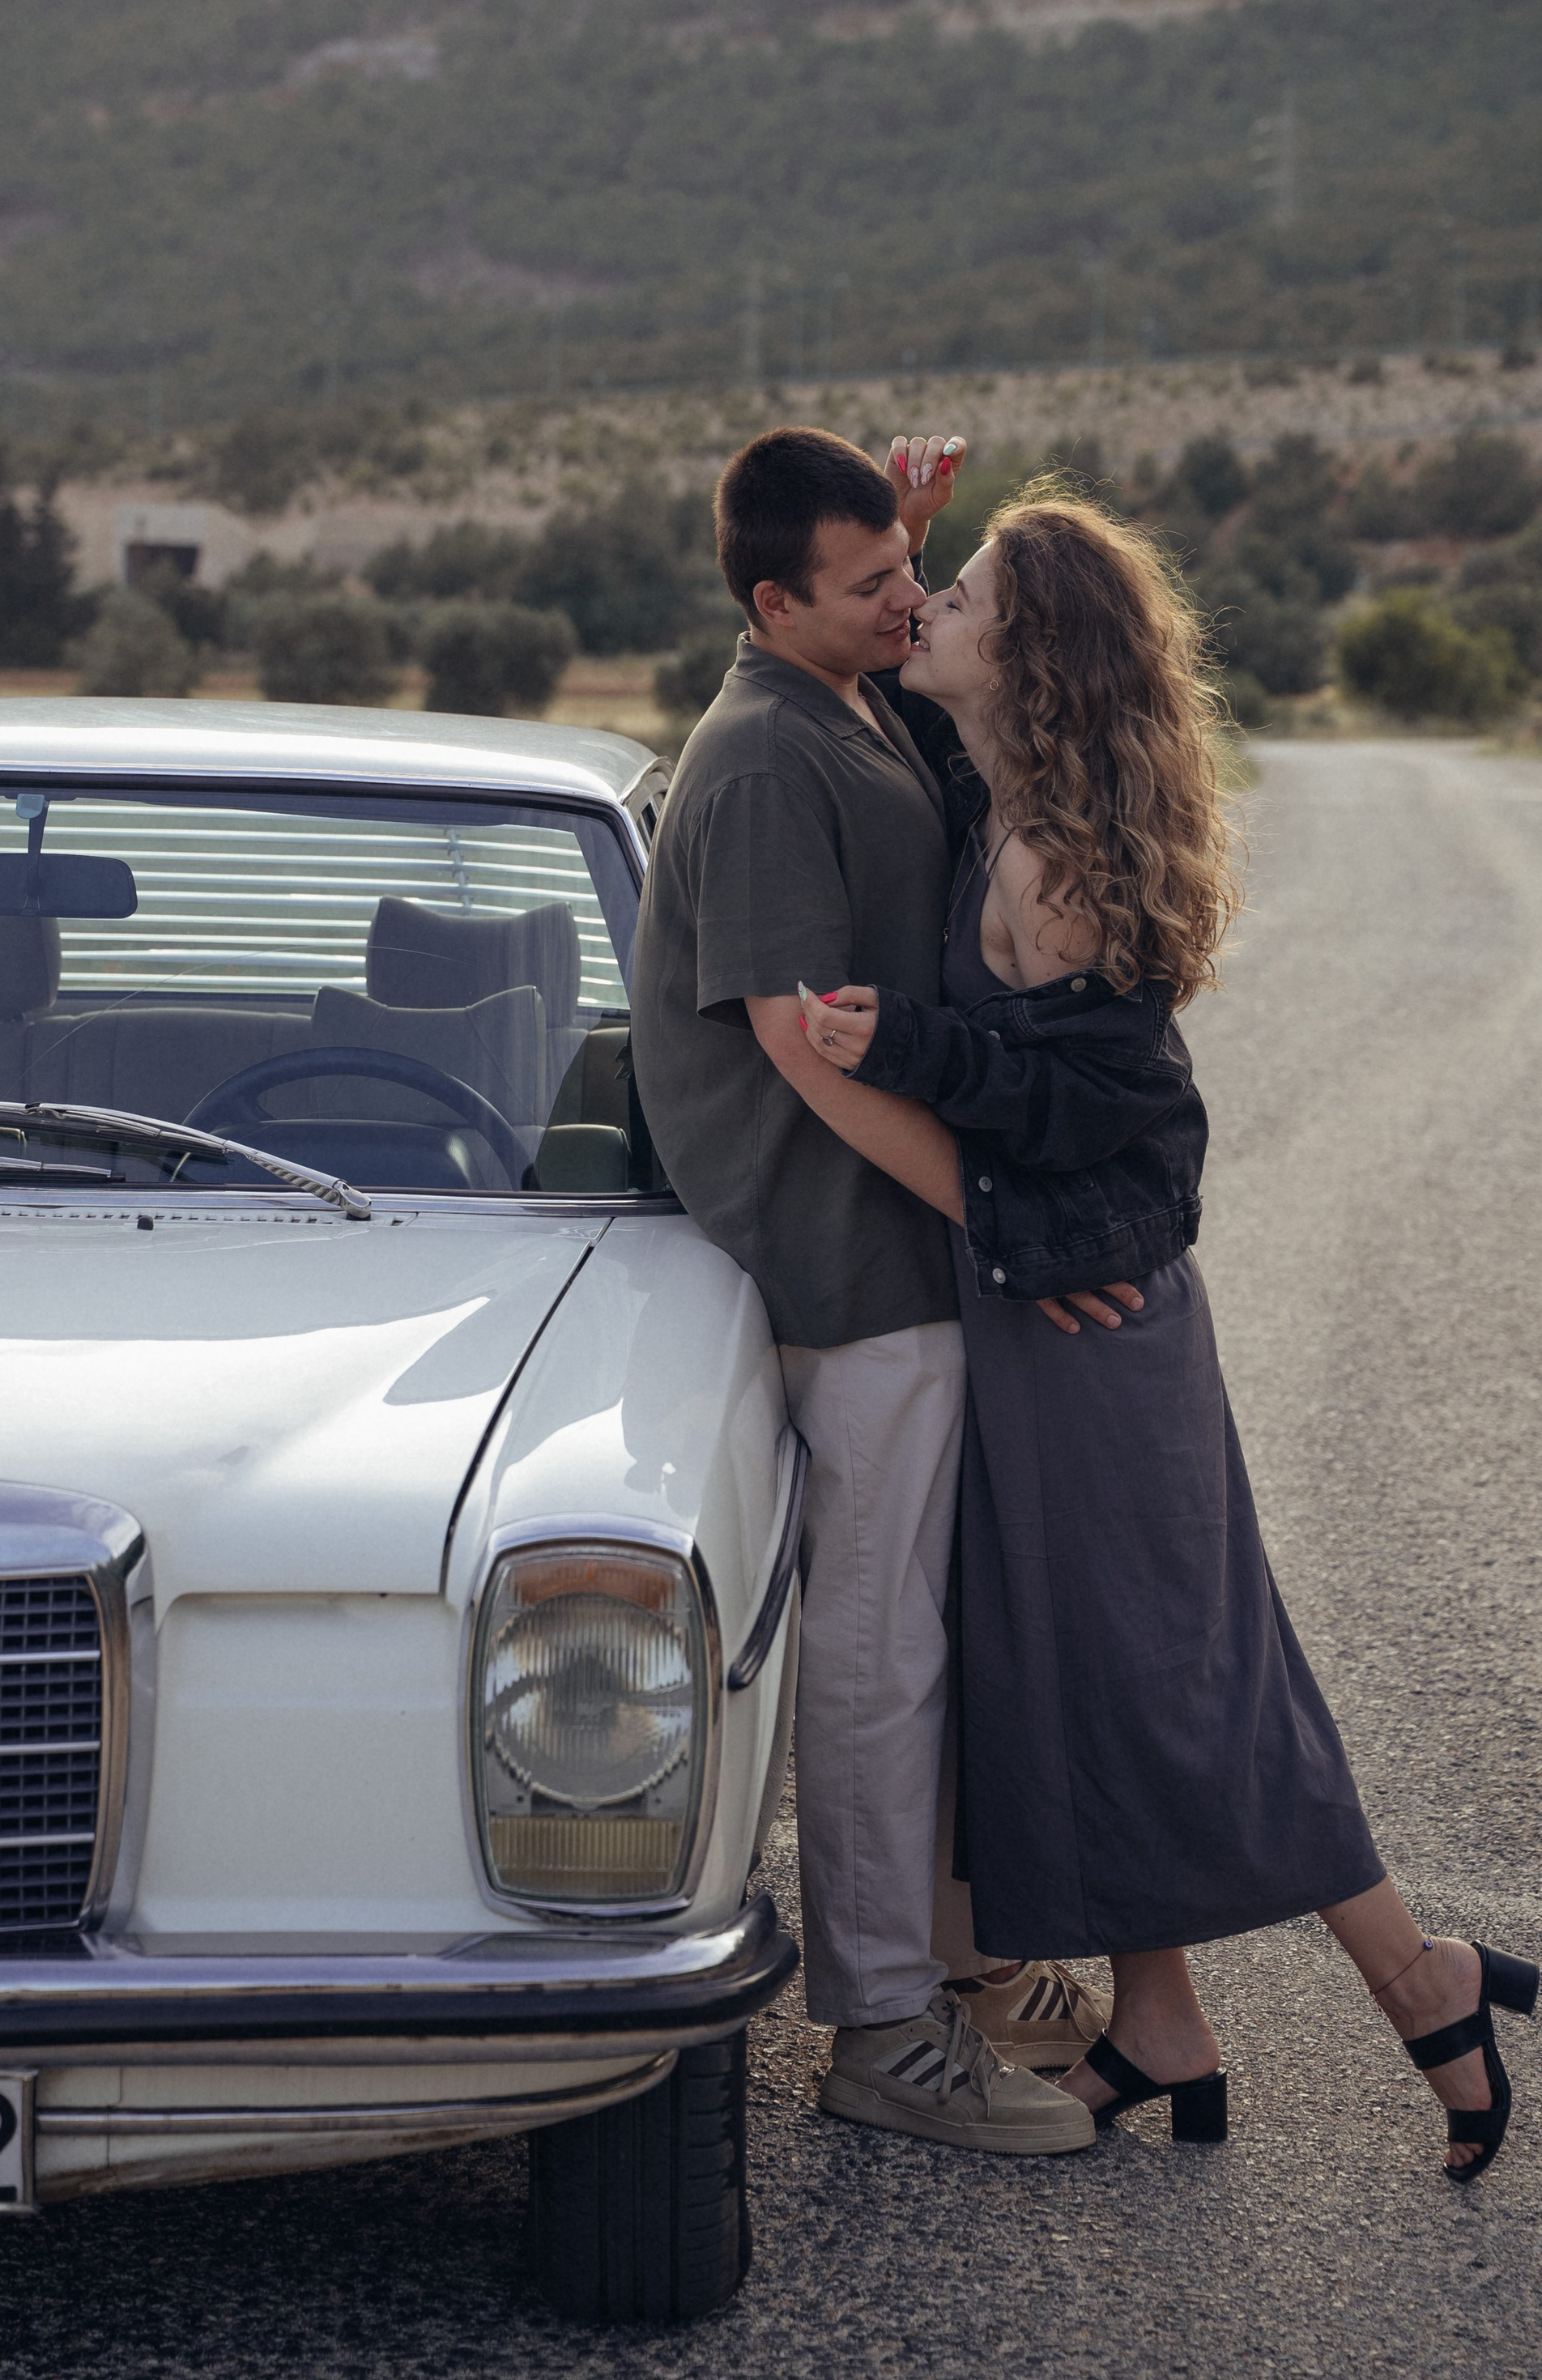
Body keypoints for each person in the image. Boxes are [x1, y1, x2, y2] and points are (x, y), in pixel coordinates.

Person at [799, 489, 1542, 2184]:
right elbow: (836, 677)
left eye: (957, 593)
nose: (928, 608)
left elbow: (1106, 1098)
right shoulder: (989, 793)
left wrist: (899, 1044)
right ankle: (1159, 2027)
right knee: (1080, 1672)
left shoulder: (1049, 862)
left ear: (1029, 658)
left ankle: (1425, 1984)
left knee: (1191, 1687)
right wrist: (892, 542)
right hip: (1049, 1324)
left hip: (1098, 1335)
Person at [631, 428, 1124, 2156]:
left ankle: (944, 1956)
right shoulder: (764, 757)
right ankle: (876, 2027)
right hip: (846, 1253)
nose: (904, 597)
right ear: (775, 605)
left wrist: (899, 543)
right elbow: (799, 1049)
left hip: (898, 1240)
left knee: (912, 1625)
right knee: (870, 1646)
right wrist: (1006, 1217)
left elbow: (912, 682)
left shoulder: (830, 696)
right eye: (869, 584)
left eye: (907, 569)